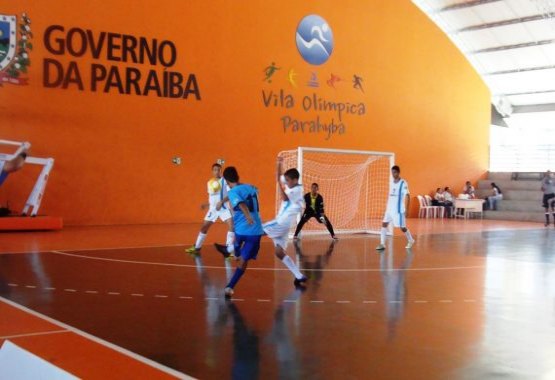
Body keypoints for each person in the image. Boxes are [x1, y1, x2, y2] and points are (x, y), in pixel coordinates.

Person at [216, 158, 308, 288]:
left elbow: (284, 197)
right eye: (286, 181)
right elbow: (281, 178)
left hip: (280, 223)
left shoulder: (297, 190)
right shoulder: (291, 184)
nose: (286, 183)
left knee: (257, 230)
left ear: (294, 180)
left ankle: (228, 249)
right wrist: (279, 166)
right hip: (285, 226)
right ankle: (299, 276)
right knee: (279, 252)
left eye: (288, 181)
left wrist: (280, 184)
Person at [215, 167, 264, 298]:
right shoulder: (251, 188)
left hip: (243, 229)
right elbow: (247, 191)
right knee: (243, 261)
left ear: (225, 180)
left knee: (239, 254)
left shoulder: (233, 192)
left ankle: (232, 253)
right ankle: (230, 286)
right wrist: (222, 201)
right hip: (255, 231)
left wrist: (248, 216)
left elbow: (241, 204)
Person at [185, 163, 235, 257]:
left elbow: (230, 194)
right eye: (215, 170)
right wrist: (207, 205)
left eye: (219, 170)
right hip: (213, 209)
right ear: (212, 171)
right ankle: (197, 248)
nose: (217, 171)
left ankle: (228, 249)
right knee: (204, 227)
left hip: (224, 208)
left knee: (231, 226)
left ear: (221, 171)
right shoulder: (209, 182)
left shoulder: (225, 181)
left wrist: (222, 202)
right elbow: (213, 198)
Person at [376, 165, 415, 250]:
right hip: (389, 210)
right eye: (392, 172)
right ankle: (382, 244)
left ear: (398, 172)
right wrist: (386, 208)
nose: (393, 174)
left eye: (394, 172)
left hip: (398, 210)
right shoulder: (391, 182)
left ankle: (411, 240)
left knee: (402, 228)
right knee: (384, 224)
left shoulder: (403, 183)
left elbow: (408, 196)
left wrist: (407, 210)